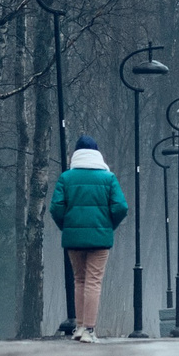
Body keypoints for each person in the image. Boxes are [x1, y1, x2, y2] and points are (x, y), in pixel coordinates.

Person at [48, 135, 129, 342]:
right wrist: (108, 226)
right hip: (100, 239)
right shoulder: (108, 178)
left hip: (73, 239)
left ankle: (79, 327)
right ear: (97, 154)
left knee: (80, 280)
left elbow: (55, 207)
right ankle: (89, 330)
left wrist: (67, 227)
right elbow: (121, 207)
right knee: (93, 281)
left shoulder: (66, 178)